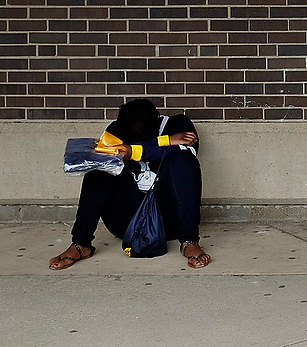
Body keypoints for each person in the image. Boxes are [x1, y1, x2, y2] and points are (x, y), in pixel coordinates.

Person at [49, 98, 211, 270]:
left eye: (143, 138)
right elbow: (102, 156)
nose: (131, 140)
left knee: (183, 158)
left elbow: (188, 151)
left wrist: (132, 150)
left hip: (168, 220)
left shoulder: (178, 124)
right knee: (101, 166)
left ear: (157, 125)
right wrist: (163, 142)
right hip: (126, 222)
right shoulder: (117, 129)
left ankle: (189, 241)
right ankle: (81, 244)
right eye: (130, 139)